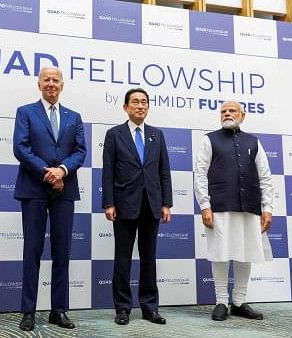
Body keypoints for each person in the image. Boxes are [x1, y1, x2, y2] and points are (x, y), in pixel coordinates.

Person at [13, 66, 86, 331]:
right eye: (47, 80)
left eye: (56, 80)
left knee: (62, 252)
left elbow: (80, 151)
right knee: (32, 251)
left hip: (65, 189)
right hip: (33, 189)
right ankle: (28, 311)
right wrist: (48, 172)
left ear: (62, 85)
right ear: (39, 84)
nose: (51, 84)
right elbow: (20, 147)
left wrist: (62, 170)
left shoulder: (74, 116)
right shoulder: (25, 112)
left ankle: (59, 310)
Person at [193, 100, 273, 321]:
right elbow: (200, 173)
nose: (227, 114)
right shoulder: (209, 139)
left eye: (232, 111)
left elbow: (265, 176)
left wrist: (268, 208)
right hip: (219, 206)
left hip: (250, 206)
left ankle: (239, 301)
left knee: (245, 251)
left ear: (242, 115)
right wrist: (205, 205)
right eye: (223, 111)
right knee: (220, 253)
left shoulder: (253, 142)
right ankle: (221, 301)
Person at [102, 88, 173, 326]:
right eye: (135, 102)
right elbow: (108, 171)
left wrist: (166, 203)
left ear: (148, 107)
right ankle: (122, 308)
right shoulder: (114, 134)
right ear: (126, 107)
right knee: (122, 259)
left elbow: (164, 171)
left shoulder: (157, 135)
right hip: (123, 205)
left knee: (148, 259)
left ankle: (149, 308)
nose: (140, 106)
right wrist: (109, 203)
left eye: (144, 102)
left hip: (152, 205)